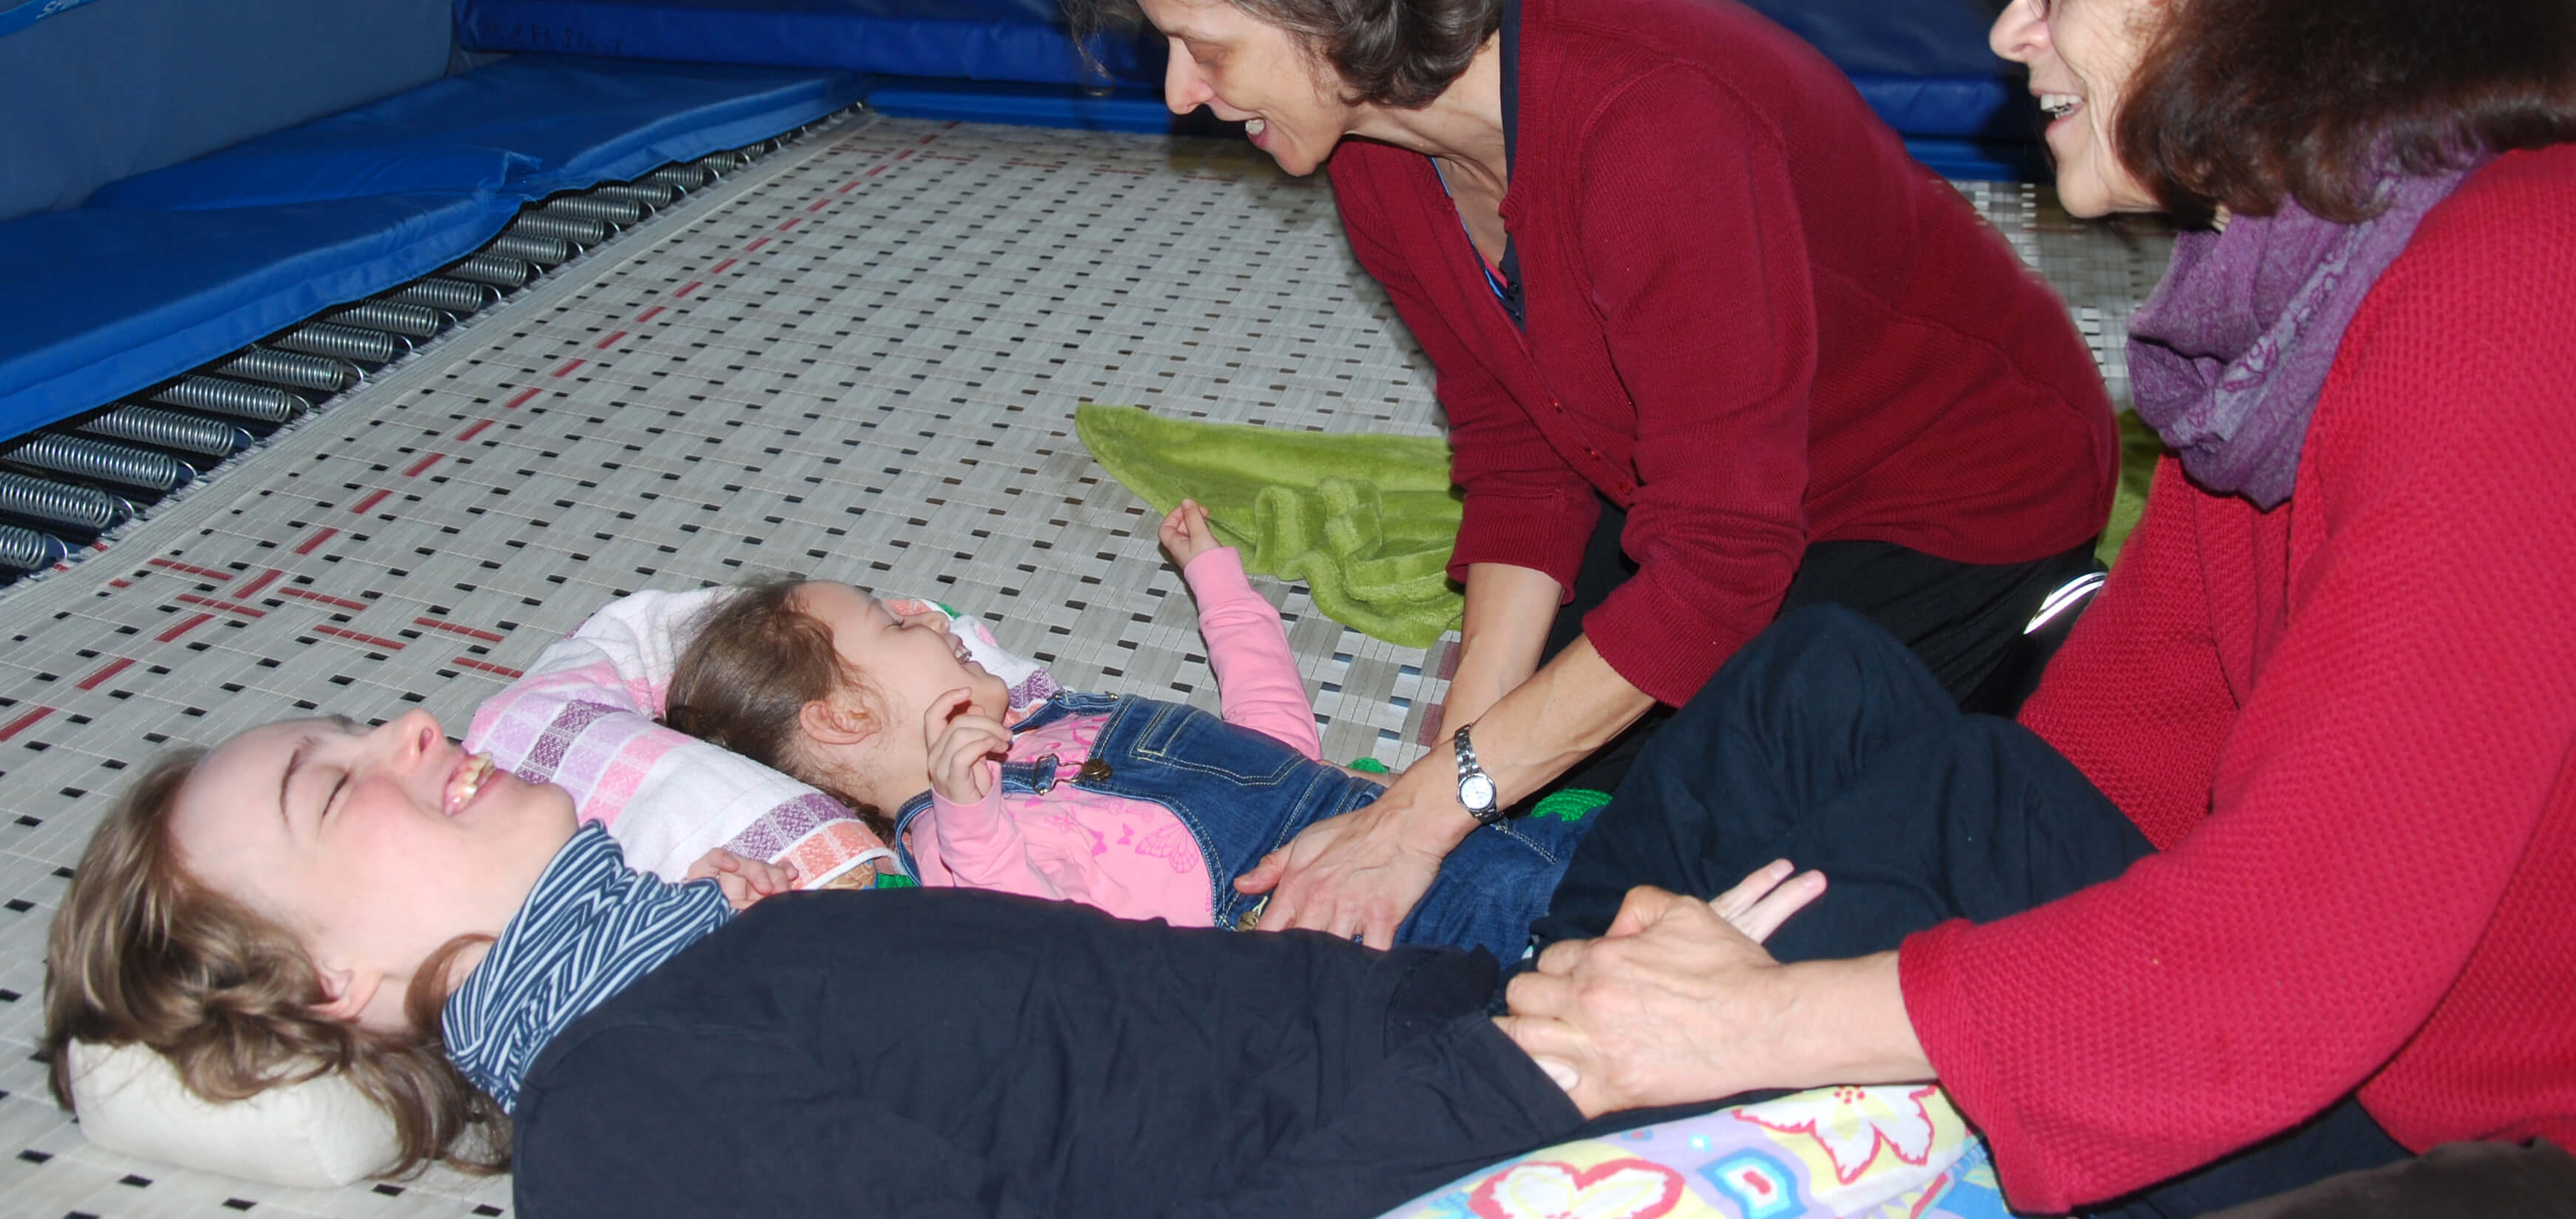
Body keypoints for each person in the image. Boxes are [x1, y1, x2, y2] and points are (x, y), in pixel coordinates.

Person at [1494, 0, 2576, 1218]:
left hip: (2445, 1128)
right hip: (2313, 1017)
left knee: (1902, 858)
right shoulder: (2284, 295)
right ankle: (1511, 1019)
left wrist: (1765, 1019)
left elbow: (2292, 960)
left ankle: (1499, 1108)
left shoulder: (2518, 285)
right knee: (1825, 687)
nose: (2016, 34)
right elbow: (2113, 752)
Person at [1054, 0, 2119, 948]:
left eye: (1201, 47)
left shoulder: (1653, 126)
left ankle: (2040, 630)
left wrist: (1425, 814)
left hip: (1945, 491)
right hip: (1718, 473)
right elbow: (1519, 449)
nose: (1180, 94)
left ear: (1330, 4)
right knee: (1538, 756)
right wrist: (1454, 767)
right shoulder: (1373, 149)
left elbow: (1716, 567)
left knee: (1679, 830)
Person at [40, 706, 1817, 1215]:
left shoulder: (739, 957)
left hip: (1489, 1008)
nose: (409, 725)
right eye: (325, 784)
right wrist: (1547, 1072)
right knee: (1955, 824)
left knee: (1817, 689)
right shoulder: (626, 1117)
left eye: (356, 721)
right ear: (331, 981)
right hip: (1503, 1113)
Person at [658, 500, 1592, 960]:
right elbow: (1039, 949)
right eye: (897, 626)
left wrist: (1221, 587)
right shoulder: (954, 844)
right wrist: (967, 811)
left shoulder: (1059, 726)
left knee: (1661, 839)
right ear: (846, 719)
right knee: (1610, 931)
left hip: (1409, 823)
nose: (933, 616)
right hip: (1397, 925)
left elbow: (1275, 750)